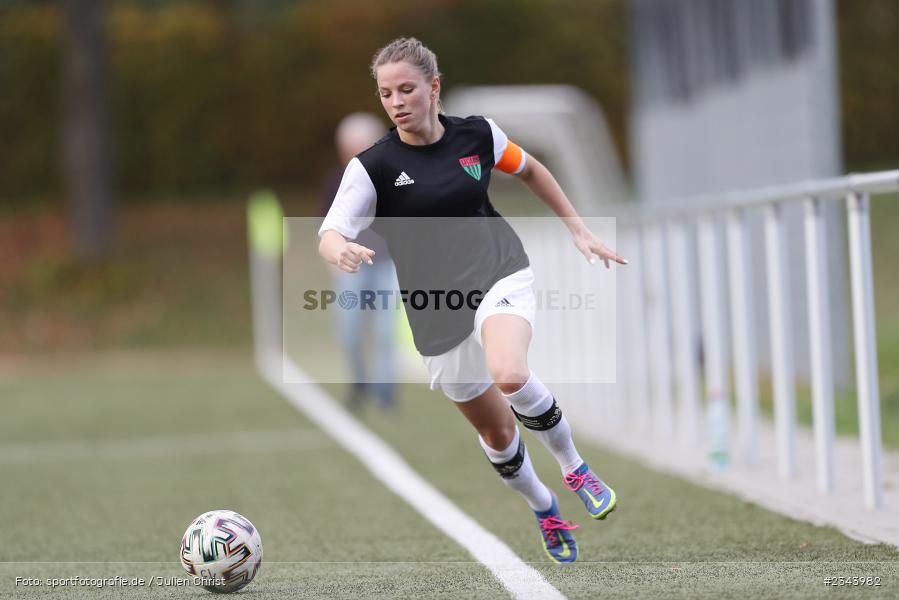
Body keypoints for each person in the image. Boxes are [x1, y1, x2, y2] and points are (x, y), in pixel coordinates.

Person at [318, 37, 627, 564]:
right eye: (386, 93)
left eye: (407, 89)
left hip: (498, 271)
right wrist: (339, 249)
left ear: (433, 88)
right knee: (497, 431)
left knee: (510, 372)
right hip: (434, 310)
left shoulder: (478, 135)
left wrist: (577, 228)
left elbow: (530, 169)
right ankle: (544, 505)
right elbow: (330, 231)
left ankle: (575, 467)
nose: (395, 102)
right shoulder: (372, 167)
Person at [321, 113, 398, 410]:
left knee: (385, 332)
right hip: (350, 269)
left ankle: (385, 393)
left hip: (385, 265)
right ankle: (359, 383)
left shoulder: (391, 178)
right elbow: (328, 229)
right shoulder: (334, 184)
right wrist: (335, 260)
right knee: (350, 332)